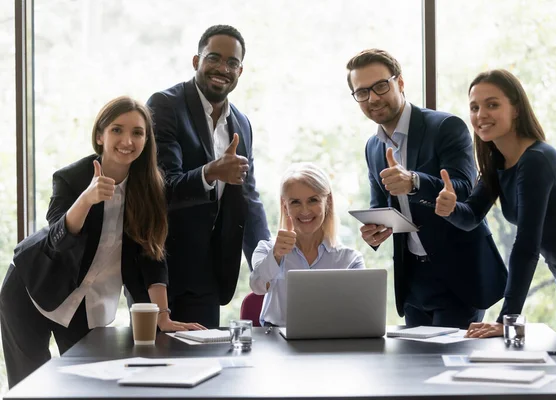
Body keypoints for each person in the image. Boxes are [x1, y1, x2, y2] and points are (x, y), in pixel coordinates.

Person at [0, 96, 203, 388]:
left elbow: (152, 253)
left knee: (90, 385)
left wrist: (163, 315)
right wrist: (87, 199)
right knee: (31, 386)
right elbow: (57, 240)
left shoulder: (151, 187)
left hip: (85, 304)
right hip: (30, 288)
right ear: (100, 135)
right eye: (117, 130)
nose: (127, 140)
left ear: (147, 140)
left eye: (137, 132)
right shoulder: (71, 178)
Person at [435, 69, 556, 362]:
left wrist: (506, 319)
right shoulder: (498, 161)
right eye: (474, 107)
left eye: (492, 104)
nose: (481, 114)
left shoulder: (536, 159)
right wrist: (449, 209)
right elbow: (471, 215)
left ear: (516, 109)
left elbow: (526, 248)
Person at [346, 49, 507, 328]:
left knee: (449, 368)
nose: (373, 98)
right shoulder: (373, 147)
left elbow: (464, 190)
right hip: (412, 281)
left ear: (400, 83)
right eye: (362, 92)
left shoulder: (445, 126)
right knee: (414, 370)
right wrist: (375, 229)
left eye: (381, 86)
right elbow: (379, 204)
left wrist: (414, 181)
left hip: (458, 276)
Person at [146, 25, 269, 327]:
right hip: (160, 268)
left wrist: (267, 262)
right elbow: (163, 189)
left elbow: (248, 199)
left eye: (232, 62)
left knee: (203, 365)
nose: (222, 68)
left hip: (209, 274)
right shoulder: (165, 105)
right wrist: (210, 172)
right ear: (195, 61)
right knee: (155, 367)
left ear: (240, 70)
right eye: (214, 58)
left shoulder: (242, 124)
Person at [249, 163, 365, 326]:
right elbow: (257, 286)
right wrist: (276, 255)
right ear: (285, 205)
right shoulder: (267, 249)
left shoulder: (350, 260)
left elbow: (360, 313)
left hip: (332, 342)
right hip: (276, 342)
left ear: (328, 202)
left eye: (313, 200)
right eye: (295, 202)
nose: (305, 211)